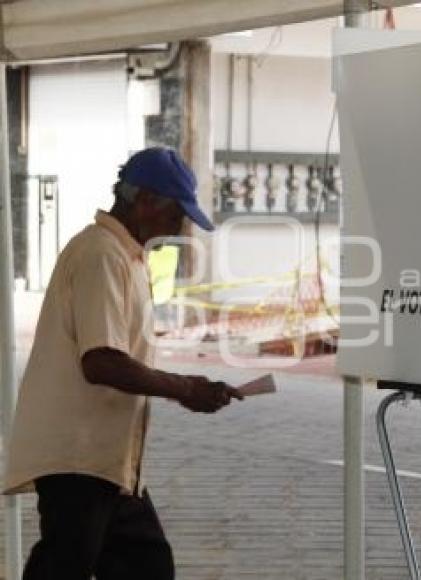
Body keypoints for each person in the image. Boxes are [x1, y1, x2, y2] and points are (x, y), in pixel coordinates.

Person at [4, 147, 243, 580]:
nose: (178, 226)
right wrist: (187, 389)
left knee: (145, 564)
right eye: (175, 214)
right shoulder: (102, 254)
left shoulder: (126, 255)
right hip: (78, 454)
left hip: (110, 460)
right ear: (146, 201)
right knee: (66, 564)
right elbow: (102, 362)